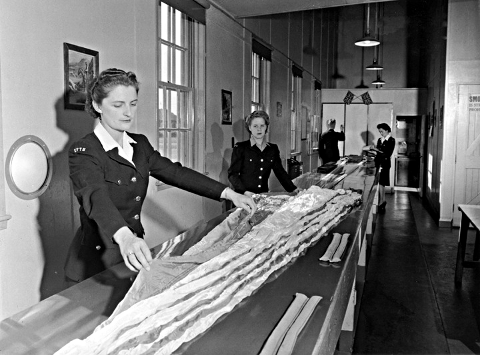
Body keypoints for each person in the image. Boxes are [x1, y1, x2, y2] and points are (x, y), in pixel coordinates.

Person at [65, 68, 256, 282]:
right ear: (97, 105)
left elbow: (176, 173)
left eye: (133, 103)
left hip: (133, 254)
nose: (128, 112)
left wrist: (230, 194)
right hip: (96, 262)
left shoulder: (140, 145)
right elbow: (95, 196)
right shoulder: (84, 150)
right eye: (118, 105)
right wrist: (125, 236)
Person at [228, 110, 299, 197]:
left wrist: (294, 189)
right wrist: (244, 192)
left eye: (262, 125)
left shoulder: (272, 149)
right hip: (243, 196)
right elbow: (232, 175)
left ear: (266, 127)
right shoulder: (241, 148)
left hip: (263, 195)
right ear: (249, 128)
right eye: (255, 126)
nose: (259, 129)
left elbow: (280, 172)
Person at [370, 123, 395, 213]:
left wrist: (377, 150)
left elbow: (388, 153)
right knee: (379, 183)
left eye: (382, 131)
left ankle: (382, 201)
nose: (381, 133)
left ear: (387, 130)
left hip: (385, 164)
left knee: (382, 183)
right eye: (379, 132)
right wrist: (373, 153)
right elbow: (379, 153)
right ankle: (382, 201)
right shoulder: (379, 140)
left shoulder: (391, 140)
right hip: (378, 163)